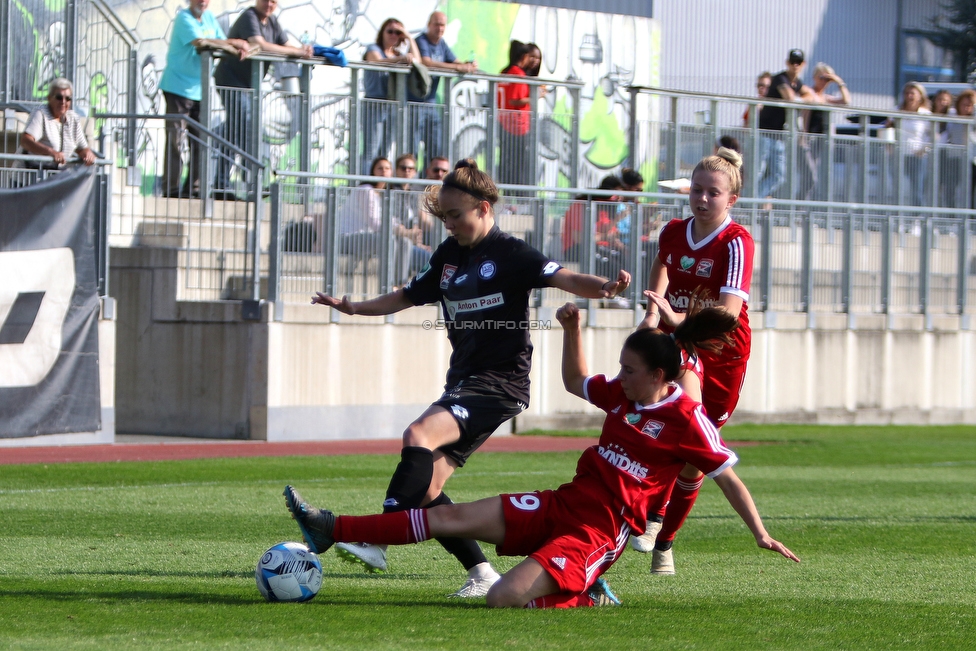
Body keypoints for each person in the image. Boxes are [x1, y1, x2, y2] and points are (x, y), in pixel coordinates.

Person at [283, 296, 799, 608]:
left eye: (630, 370)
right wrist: (572, 330)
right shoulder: (624, 394)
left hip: (597, 532)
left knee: (501, 598)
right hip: (563, 503)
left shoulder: (687, 418)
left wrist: (761, 533)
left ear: (660, 377)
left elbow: (727, 475)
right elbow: (577, 380)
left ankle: (583, 590)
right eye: (620, 367)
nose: (619, 377)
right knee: (450, 517)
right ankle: (332, 529)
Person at [309, 159, 631, 597]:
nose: (449, 224)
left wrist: (605, 288)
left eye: (455, 214)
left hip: (500, 382)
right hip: (464, 381)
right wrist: (353, 307)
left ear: (483, 207)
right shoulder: (448, 256)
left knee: (418, 432)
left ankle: (377, 536)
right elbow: (405, 296)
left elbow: (563, 276)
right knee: (427, 488)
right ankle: (491, 573)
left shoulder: (512, 253)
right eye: (443, 216)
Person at [631, 148, 755, 576]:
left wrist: (678, 317)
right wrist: (652, 315)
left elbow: (729, 313)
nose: (702, 199)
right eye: (697, 190)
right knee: (665, 424)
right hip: (680, 344)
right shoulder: (673, 230)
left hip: (722, 349)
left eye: (713, 193)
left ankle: (664, 539)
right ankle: (649, 516)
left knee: (695, 453)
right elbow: (662, 265)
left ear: (731, 199)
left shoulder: (736, 240)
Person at [212, 0, 312, 199]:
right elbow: (260, 44)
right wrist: (297, 51)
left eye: (273, 1)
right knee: (245, 127)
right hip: (231, 80)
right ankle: (243, 184)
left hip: (248, 84)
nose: (269, 4)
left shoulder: (272, 21)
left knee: (237, 131)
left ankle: (224, 186)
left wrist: (304, 49)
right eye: (266, 0)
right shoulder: (249, 16)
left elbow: (285, 44)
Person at [159, 0, 249, 198]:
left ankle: (194, 188)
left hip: (200, 90)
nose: (203, 1)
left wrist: (235, 46)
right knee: (176, 140)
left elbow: (220, 40)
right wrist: (235, 43)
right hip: (178, 87)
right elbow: (202, 42)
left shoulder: (208, 17)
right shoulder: (184, 18)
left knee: (200, 140)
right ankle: (171, 189)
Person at [409, 11, 477, 160]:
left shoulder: (442, 43)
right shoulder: (421, 41)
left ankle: (431, 181)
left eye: (442, 25)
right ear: (429, 25)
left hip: (431, 102)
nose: (440, 28)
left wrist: (467, 65)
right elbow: (426, 62)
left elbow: (455, 61)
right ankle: (410, 182)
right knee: (412, 148)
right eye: (436, 24)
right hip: (415, 102)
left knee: (435, 148)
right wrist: (457, 68)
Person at [362, 18, 421, 174]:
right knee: (371, 150)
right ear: (382, 32)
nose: (393, 35)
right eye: (390, 31)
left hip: (392, 106)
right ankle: (366, 185)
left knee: (385, 149)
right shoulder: (373, 48)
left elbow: (418, 62)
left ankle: (380, 187)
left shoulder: (397, 53)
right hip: (374, 104)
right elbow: (377, 61)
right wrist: (400, 59)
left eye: (398, 32)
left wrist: (408, 37)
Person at [757, 50, 810, 200]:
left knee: (779, 176)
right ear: (787, 62)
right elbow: (790, 97)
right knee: (757, 172)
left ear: (803, 64)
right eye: (792, 61)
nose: (795, 65)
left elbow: (813, 96)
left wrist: (802, 99)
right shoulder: (780, 79)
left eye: (798, 62)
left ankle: (753, 203)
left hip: (778, 136)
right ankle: (750, 203)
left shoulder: (797, 83)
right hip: (764, 134)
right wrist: (802, 99)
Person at [798, 63, 850, 201]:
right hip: (807, 140)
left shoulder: (825, 98)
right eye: (822, 78)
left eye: (827, 80)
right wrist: (803, 136)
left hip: (820, 142)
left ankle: (801, 209)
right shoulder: (810, 93)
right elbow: (805, 115)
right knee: (810, 177)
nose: (824, 82)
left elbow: (846, 101)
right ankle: (797, 207)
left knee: (811, 178)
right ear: (815, 77)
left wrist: (838, 81)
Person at [18, 78, 96, 169]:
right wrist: (51, 152)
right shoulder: (41, 113)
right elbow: (26, 141)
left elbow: (82, 148)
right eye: (59, 97)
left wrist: (88, 154)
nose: (63, 102)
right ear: (49, 98)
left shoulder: (73, 119)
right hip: (30, 177)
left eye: (68, 98)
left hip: (56, 178)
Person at [497, 41, 543, 192]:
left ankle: (507, 194)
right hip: (517, 125)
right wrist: (537, 95)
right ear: (523, 56)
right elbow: (515, 99)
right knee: (519, 163)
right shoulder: (517, 74)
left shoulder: (505, 72)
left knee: (506, 162)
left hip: (503, 122)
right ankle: (517, 197)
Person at [886, 82, 932, 207]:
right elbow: (888, 128)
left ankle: (915, 221)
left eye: (912, 93)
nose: (909, 96)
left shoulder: (925, 114)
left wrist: (924, 149)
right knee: (897, 189)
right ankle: (898, 218)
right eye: (907, 93)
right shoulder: (896, 110)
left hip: (917, 156)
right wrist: (889, 147)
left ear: (920, 96)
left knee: (917, 190)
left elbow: (931, 135)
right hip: (898, 155)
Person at [561, 174, 623, 262]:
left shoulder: (601, 209)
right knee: (609, 264)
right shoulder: (580, 206)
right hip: (575, 249)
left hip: (596, 246)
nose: (618, 200)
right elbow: (579, 238)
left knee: (621, 259)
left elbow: (603, 231)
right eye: (616, 197)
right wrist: (605, 236)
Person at [392, 153, 432, 283]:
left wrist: (418, 241)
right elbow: (393, 221)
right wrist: (412, 234)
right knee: (427, 258)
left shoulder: (413, 192)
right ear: (396, 170)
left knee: (432, 258)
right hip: (397, 240)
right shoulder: (391, 190)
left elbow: (415, 221)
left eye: (410, 168)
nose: (407, 171)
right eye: (403, 168)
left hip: (410, 240)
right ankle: (400, 285)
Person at [940, 89, 976, 207]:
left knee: (970, 190)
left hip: (971, 159)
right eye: (964, 105)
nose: (966, 108)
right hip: (954, 158)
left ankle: (970, 219)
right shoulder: (952, 116)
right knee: (951, 189)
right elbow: (950, 132)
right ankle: (951, 216)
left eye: (969, 105)